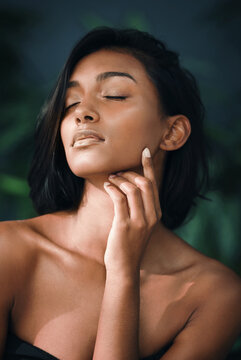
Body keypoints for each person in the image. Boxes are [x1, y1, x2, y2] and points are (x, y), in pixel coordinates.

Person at [1, 26, 241, 360]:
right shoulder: (8, 250)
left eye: (114, 94)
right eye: (70, 103)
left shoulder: (214, 294)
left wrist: (122, 273)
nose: (81, 112)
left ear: (172, 132)